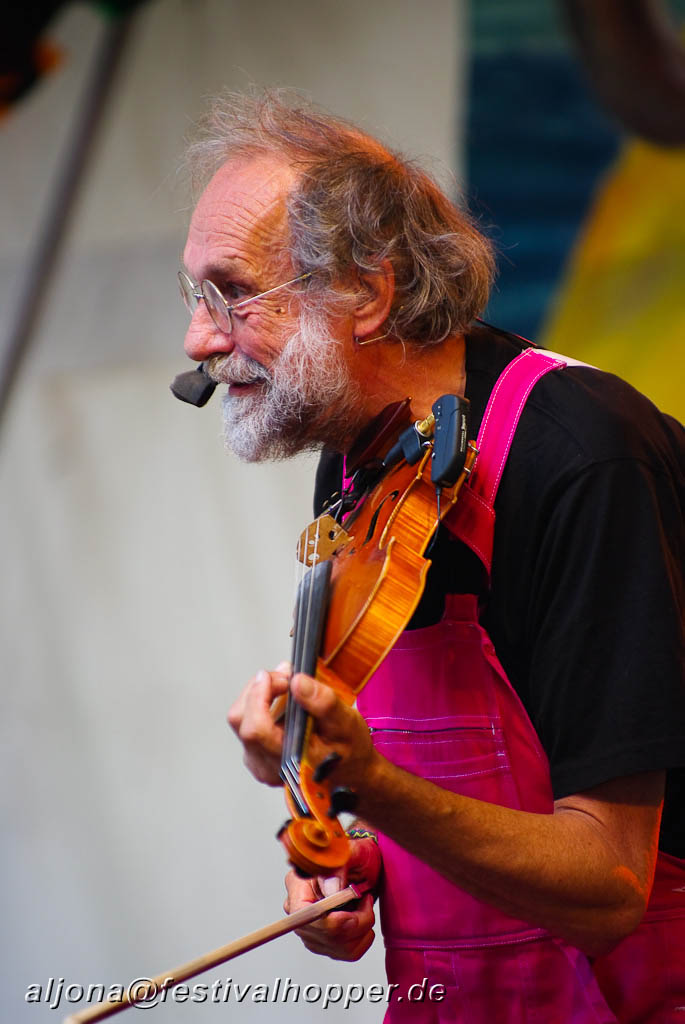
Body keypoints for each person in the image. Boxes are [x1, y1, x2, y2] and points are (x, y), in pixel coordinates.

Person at [178, 91, 685, 1022]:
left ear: (367, 293)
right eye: (194, 298)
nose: (199, 341)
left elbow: (611, 885)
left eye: (232, 293)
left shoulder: (576, 457)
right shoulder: (358, 457)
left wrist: (368, 783)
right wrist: (356, 856)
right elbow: (436, 779)